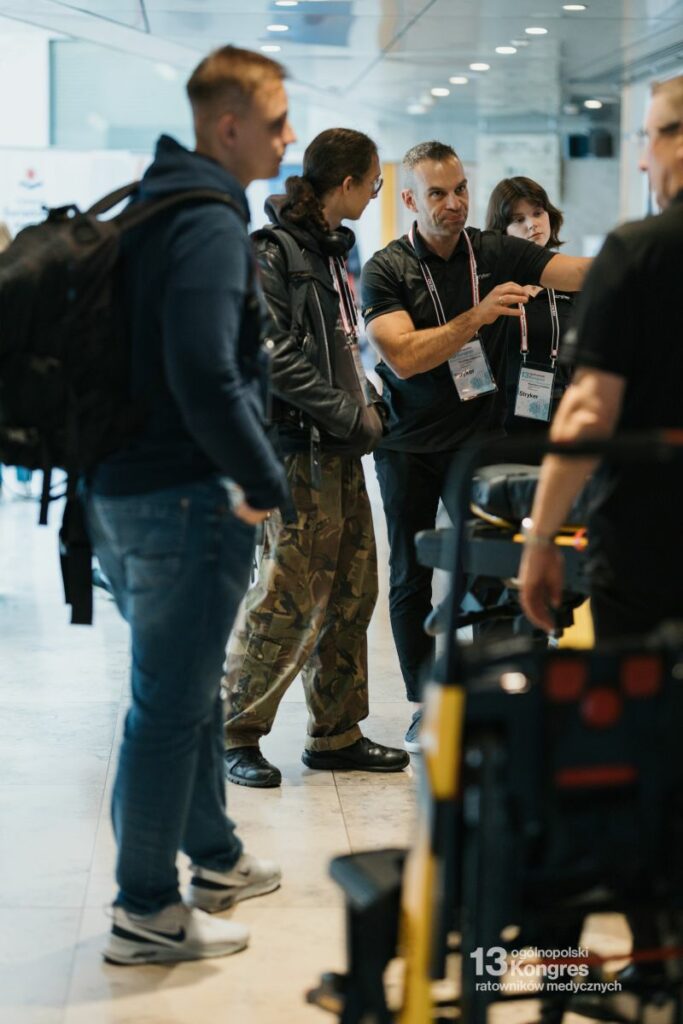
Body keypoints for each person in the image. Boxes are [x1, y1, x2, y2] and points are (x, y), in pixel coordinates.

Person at [83, 45, 295, 965]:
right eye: (277, 122)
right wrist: (266, 481)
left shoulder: (156, 202)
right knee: (167, 709)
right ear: (229, 127)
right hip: (179, 500)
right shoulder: (207, 223)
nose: (288, 137)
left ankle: (213, 855)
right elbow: (206, 373)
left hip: (123, 493)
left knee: (184, 689)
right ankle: (144, 910)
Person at [360, 140, 591, 751]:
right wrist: (479, 316)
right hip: (410, 443)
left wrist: (649, 250)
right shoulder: (386, 269)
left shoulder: (493, 251)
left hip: (481, 439)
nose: (455, 203)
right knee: (413, 574)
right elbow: (404, 357)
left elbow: (578, 273)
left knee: (494, 563)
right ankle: (425, 705)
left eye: (460, 189)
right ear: (411, 200)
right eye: (438, 193)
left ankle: (499, 696)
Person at [222, 128, 409, 788]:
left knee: (353, 592)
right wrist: (348, 413)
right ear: (346, 183)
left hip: (339, 451)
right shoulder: (273, 252)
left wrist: (369, 402)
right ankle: (233, 730)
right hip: (297, 452)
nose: (377, 191)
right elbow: (272, 356)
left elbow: (339, 348)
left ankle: (335, 733)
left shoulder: (329, 253)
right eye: (374, 181)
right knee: (286, 595)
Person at [519, 75, 683, 642]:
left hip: (655, 548)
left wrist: (541, 537)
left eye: (648, 138)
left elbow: (589, 412)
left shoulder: (637, 252)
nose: (641, 161)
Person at [485, 176, 574, 437]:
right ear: (502, 231)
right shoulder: (489, 284)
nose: (532, 224)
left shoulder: (571, 279)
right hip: (501, 421)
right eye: (518, 219)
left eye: (537, 213)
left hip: (561, 415)